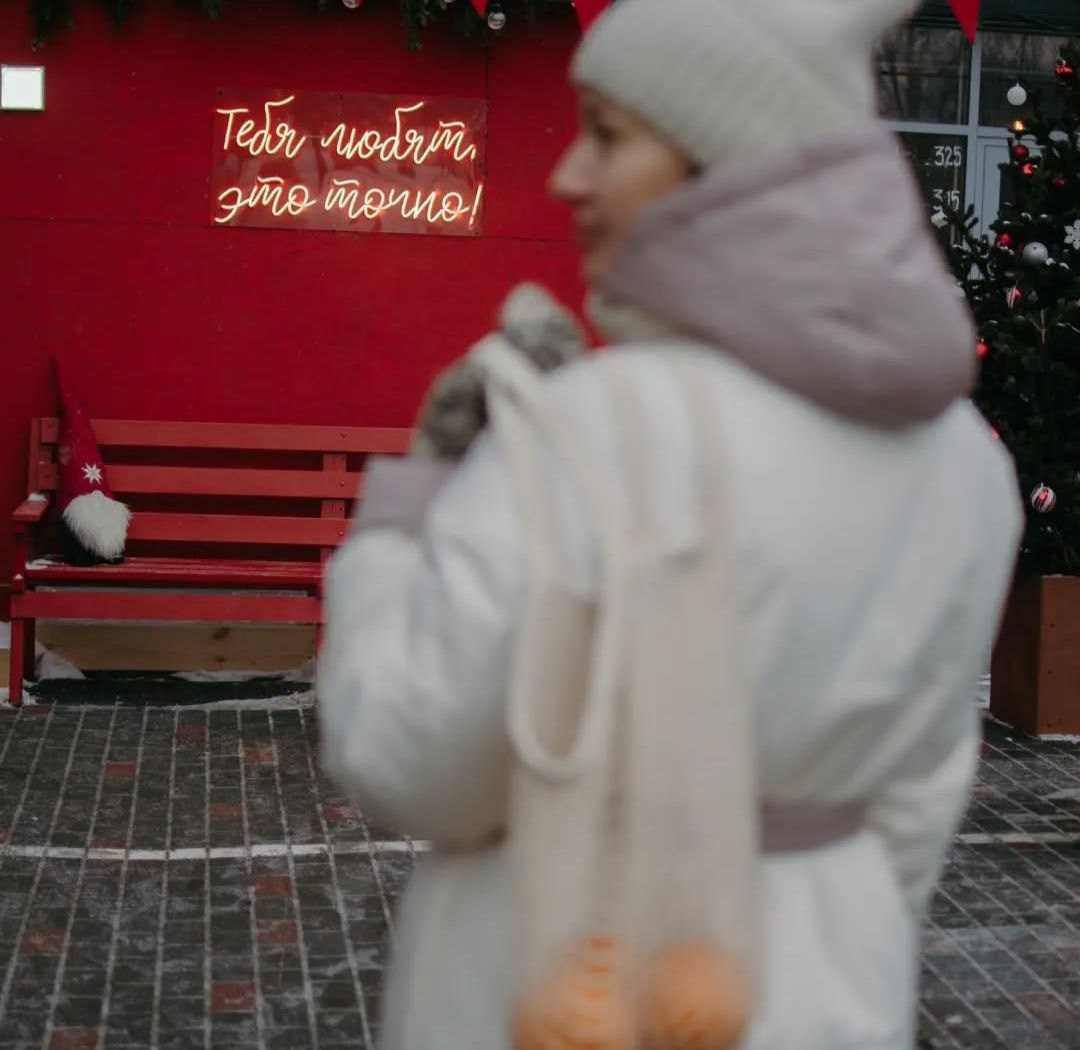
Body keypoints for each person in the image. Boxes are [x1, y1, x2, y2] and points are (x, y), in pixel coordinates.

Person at [317, 1, 1023, 1048]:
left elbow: (408, 758)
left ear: (725, 167)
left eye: (605, 132)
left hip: (570, 991)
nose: (566, 177)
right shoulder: (968, 461)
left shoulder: (594, 432)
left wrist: (405, 520)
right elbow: (923, 784)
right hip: (830, 995)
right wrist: (824, 921)